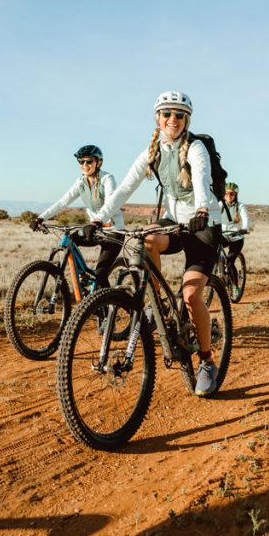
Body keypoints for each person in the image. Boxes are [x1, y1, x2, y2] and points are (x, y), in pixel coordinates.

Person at [90, 90, 223, 396]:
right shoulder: (152, 151)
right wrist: (99, 218)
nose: (172, 120)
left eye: (179, 115)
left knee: (191, 295)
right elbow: (124, 188)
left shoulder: (196, 148)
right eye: (167, 114)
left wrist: (202, 209)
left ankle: (206, 361)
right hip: (175, 221)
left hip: (204, 224)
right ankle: (157, 305)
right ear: (157, 118)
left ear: (186, 119)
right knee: (144, 240)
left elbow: (201, 179)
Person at [32, 145, 123, 289]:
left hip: (113, 231)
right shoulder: (80, 182)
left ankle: (111, 304)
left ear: (98, 162)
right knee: (71, 240)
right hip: (95, 230)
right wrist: (41, 218)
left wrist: (97, 221)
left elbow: (110, 203)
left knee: (100, 275)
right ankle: (83, 274)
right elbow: (63, 202)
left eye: (89, 161)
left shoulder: (107, 179)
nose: (84, 165)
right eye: (81, 162)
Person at [220, 182, 250, 282]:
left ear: (235, 195)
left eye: (231, 194)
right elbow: (212, 215)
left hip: (236, 237)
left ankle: (235, 286)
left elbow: (245, 218)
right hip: (223, 236)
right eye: (227, 193)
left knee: (229, 262)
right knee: (213, 255)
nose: (229, 196)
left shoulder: (240, 206)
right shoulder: (220, 204)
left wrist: (244, 228)